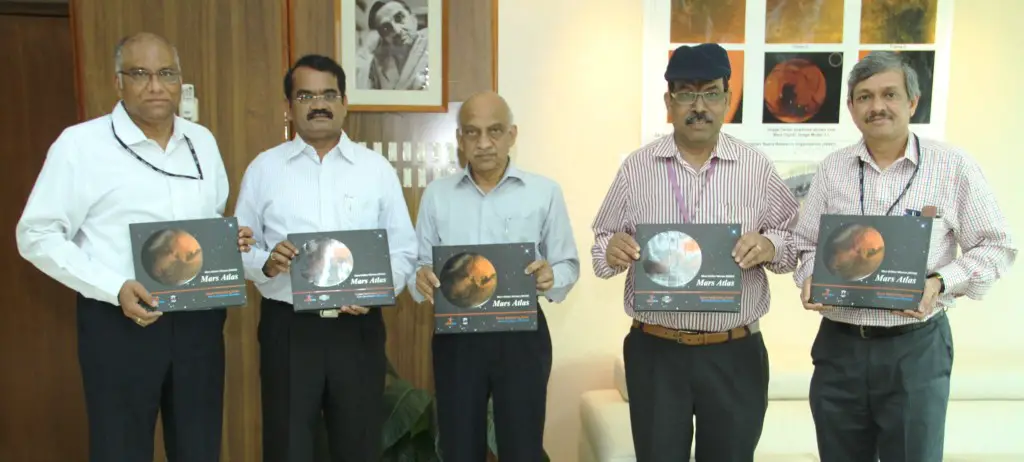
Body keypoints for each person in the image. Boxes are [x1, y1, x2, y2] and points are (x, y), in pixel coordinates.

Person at [15, 32, 255, 462]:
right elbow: (36, 234)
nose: (156, 86)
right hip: (118, 325)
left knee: (199, 447)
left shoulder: (202, 142)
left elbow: (209, 218)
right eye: (140, 74)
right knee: (119, 449)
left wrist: (224, 240)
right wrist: (113, 287)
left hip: (198, 325)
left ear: (180, 80)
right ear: (118, 81)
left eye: (166, 73)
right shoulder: (81, 145)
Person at [793, 50, 1017, 462]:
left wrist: (940, 282)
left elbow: (997, 246)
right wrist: (809, 275)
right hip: (840, 347)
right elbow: (805, 244)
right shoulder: (832, 169)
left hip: (914, 349)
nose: (877, 106)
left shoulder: (954, 167)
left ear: (912, 102)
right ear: (851, 108)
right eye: (864, 97)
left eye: (889, 94)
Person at [590, 43, 800, 462]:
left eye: (710, 93)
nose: (698, 105)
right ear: (668, 102)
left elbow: (795, 240)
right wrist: (611, 250)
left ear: (727, 99)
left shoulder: (755, 167)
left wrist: (770, 244)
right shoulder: (637, 168)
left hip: (734, 351)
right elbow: (601, 242)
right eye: (686, 93)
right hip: (657, 353)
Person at [233, 53, 417, 462]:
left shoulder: (376, 170)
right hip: (289, 330)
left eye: (328, 94)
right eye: (305, 95)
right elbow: (240, 246)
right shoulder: (264, 169)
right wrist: (267, 262)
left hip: (358, 330)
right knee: (287, 446)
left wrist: (376, 291)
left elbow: (404, 250)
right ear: (289, 106)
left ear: (344, 101)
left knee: (359, 445)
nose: (319, 104)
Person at [411, 92, 579, 461]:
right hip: (457, 336)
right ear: (460, 139)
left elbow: (568, 264)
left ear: (512, 135)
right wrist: (419, 277)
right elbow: (418, 263)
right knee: (458, 447)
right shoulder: (437, 195)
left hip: (522, 336)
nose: (484, 143)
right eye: (472, 132)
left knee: (522, 448)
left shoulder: (544, 192)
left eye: (495, 131)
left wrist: (552, 276)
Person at [364, 0, 429, 90]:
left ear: (414, 19)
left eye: (399, 17)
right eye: (386, 28)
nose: (397, 30)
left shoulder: (434, 43)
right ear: (382, 37)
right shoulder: (378, 65)